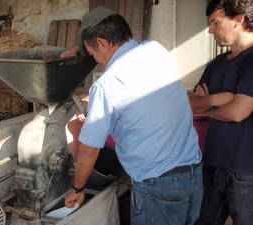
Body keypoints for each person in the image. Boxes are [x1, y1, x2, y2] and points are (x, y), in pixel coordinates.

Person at [64, 6, 203, 225]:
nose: (97, 60)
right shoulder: (156, 49)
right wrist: (81, 49)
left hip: (157, 186)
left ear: (101, 42)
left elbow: (89, 149)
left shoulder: (106, 85)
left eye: (93, 54)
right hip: (192, 175)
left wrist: (78, 188)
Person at [189, 0, 253, 224]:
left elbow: (238, 112)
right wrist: (217, 100)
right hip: (213, 163)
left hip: (246, 171)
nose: (210, 30)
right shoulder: (216, 64)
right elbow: (188, 104)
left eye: (215, 23)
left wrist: (206, 105)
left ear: (239, 20)